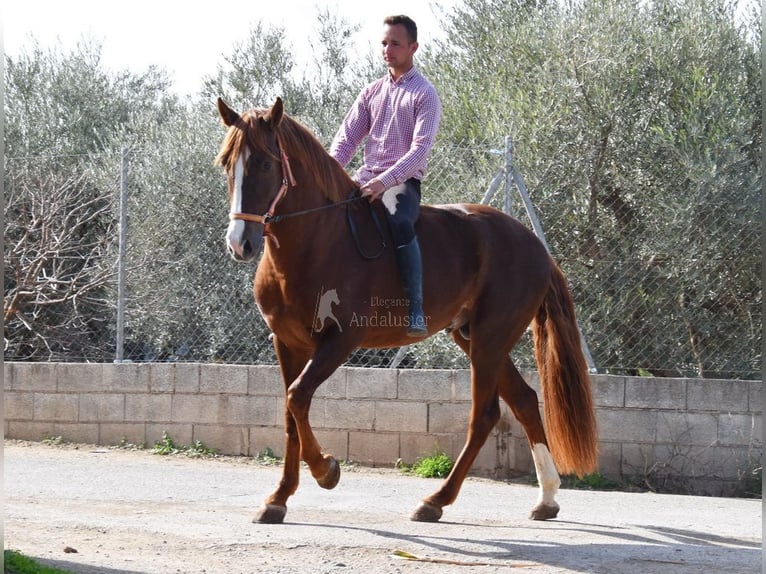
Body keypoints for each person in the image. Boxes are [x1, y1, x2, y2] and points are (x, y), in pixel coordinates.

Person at [330, 14, 442, 337]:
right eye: (384, 43)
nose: (387, 50)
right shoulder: (371, 93)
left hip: (401, 185)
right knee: (322, 217)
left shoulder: (425, 95)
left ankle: (415, 309)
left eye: (395, 43)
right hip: (364, 179)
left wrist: (383, 183)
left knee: (399, 220)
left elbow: (418, 153)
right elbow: (346, 140)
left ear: (413, 47)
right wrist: (328, 176)